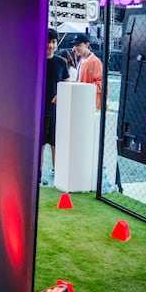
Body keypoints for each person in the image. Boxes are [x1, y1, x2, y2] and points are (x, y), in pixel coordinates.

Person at [42, 29, 70, 185]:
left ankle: (58, 175)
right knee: (39, 145)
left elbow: (67, 83)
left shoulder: (61, 62)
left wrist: (60, 95)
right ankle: (37, 175)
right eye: (47, 42)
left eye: (53, 42)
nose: (50, 45)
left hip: (56, 112)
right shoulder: (35, 60)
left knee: (56, 144)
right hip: (39, 113)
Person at [72, 34, 103, 110]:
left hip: (90, 104)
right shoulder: (82, 60)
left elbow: (102, 84)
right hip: (83, 101)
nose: (76, 48)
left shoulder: (95, 61)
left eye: (78, 45)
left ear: (87, 45)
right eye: (75, 45)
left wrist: (83, 87)